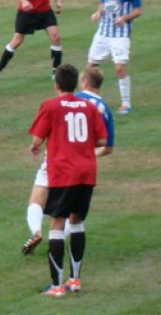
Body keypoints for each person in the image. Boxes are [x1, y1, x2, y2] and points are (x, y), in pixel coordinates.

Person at [28, 64, 109, 297]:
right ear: (76, 83)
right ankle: (75, 280)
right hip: (87, 172)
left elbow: (37, 138)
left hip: (64, 172)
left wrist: (35, 147)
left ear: (56, 85)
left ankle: (56, 287)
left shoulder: (51, 106)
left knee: (57, 224)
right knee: (77, 222)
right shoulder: (89, 107)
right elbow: (102, 140)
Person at [88, 0, 142, 115]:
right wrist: (98, 13)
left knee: (119, 68)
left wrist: (125, 18)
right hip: (102, 32)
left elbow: (138, 10)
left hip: (120, 33)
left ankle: (126, 104)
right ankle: (92, 100)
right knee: (91, 67)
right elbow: (103, 2)